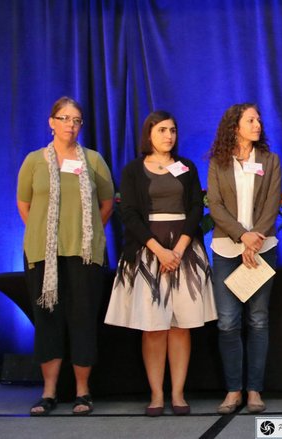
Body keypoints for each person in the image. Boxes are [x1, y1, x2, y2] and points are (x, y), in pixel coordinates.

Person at [104, 110, 216, 417]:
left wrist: (178, 249)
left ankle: (178, 394)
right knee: (153, 327)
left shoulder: (187, 167)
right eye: (163, 130)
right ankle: (156, 395)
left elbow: (196, 209)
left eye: (173, 130)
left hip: (184, 251)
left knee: (180, 326)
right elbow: (129, 214)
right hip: (147, 252)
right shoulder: (132, 171)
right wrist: (158, 251)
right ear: (149, 134)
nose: (169, 135)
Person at [17, 96, 114, 416]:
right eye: (64, 118)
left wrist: (84, 234)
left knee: (83, 320)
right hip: (43, 255)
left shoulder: (93, 160)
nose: (70, 125)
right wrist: (44, 236)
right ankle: (48, 393)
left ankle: (83, 393)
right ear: (51, 122)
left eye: (76, 120)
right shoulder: (33, 160)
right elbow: (25, 204)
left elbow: (106, 203)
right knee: (48, 321)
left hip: (83, 256)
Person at [207, 103, 282, 414]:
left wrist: (255, 239)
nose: (257, 124)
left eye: (259, 119)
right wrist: (242, 236)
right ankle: (233, 389)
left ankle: (254, 390)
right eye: (250, 120)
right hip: (226, 250)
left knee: (259, 320)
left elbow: (271, 205)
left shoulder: (270, 160)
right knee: (227, 323)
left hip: (263, 249)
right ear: (234, 126)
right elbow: (215, 204)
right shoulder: (218, 162)